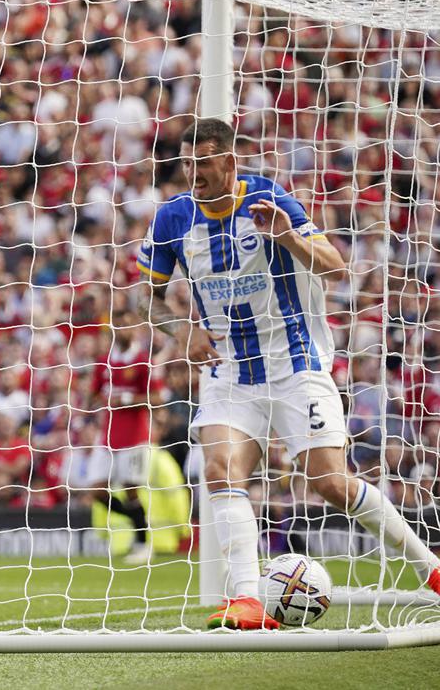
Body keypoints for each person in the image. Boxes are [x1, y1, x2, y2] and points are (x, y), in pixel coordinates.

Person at [138, 118, 440, 630]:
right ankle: (249, 600)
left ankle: (430, 568)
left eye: (205, 162)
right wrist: (182, 329)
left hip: (295, 363)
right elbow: (149, 295)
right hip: (231, 371)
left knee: (331, 482)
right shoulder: (172, 219)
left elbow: (334, 265)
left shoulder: (268, 198)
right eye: (188, 163)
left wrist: (289, 237)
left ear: (229, 162)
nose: (195, 173)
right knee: (220, 471)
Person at [83, 300, 163, 565]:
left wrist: (127, 399)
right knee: (95, 490)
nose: (123, 329)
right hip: (107, 434)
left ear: (136, 328)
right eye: (118, 324)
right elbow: (94, 394)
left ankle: (142, 544)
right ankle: (136, 522)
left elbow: (157, 398)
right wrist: (92, 402)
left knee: (131, 490)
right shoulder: (105, 360)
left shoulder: (142, 360)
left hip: (134, 436)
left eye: (127, 324)